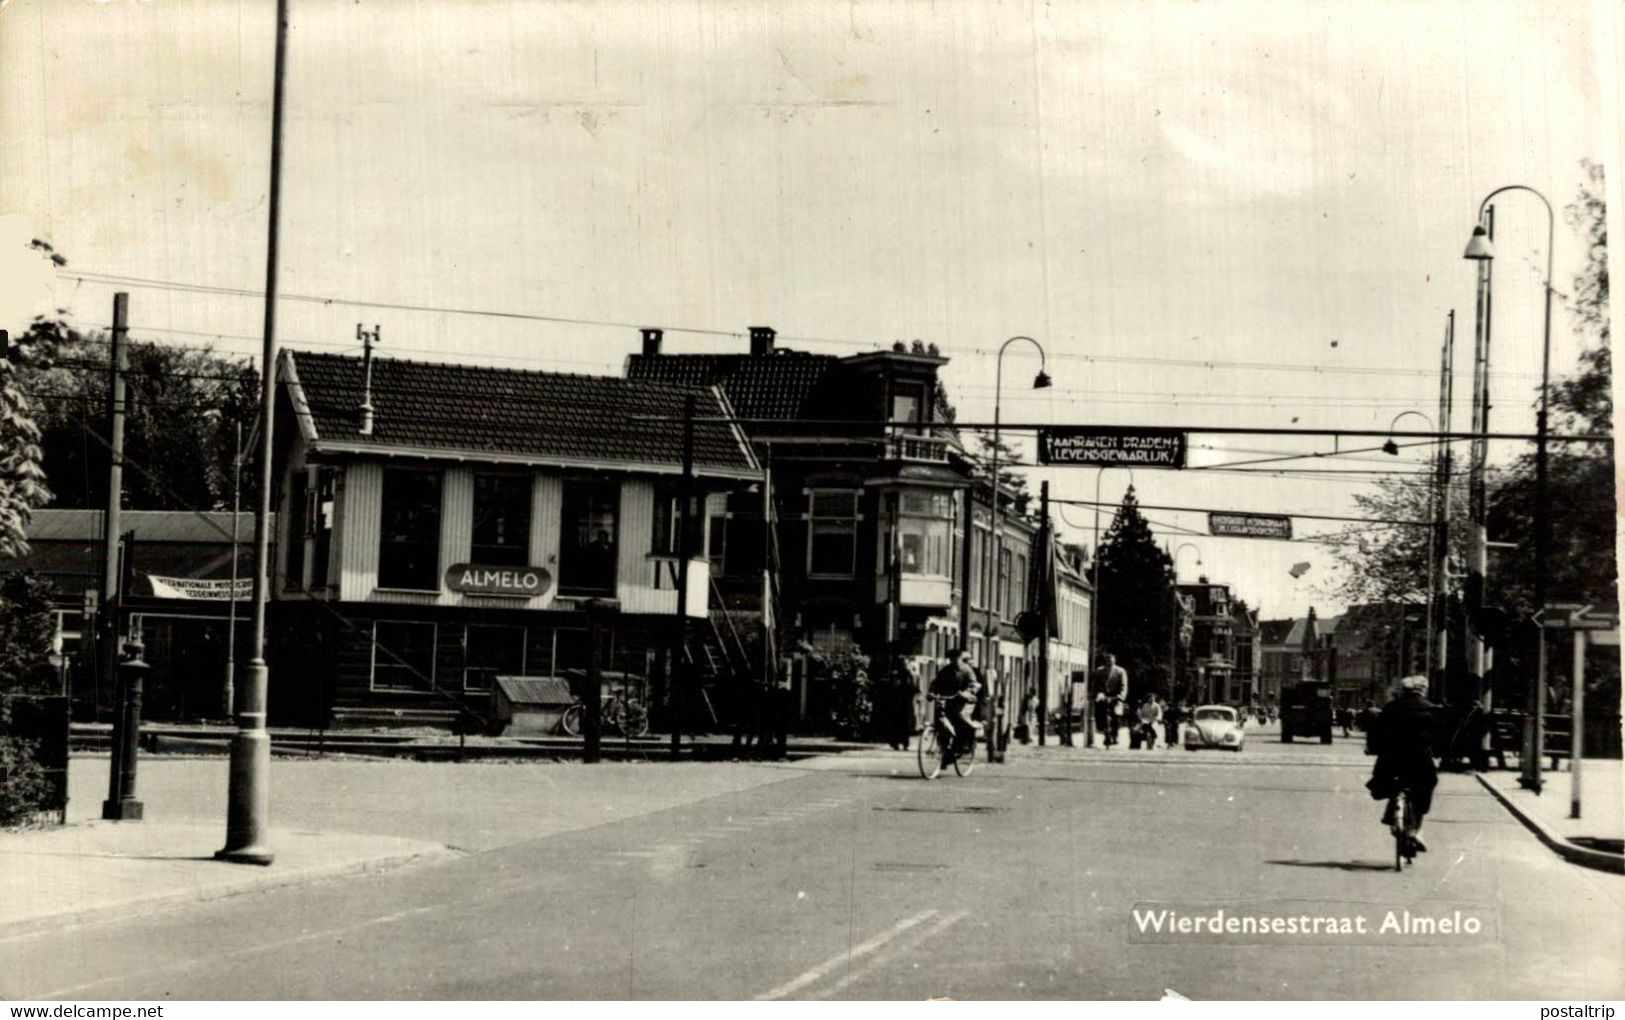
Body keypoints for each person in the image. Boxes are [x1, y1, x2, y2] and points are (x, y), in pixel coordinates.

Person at [1368, 675, 1439, 852]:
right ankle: (1416, 831)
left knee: (1387, 781)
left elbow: (1377, 732)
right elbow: (1440, 737)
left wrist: (1373, 749)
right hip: (1419, 760)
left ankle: (1391, 814)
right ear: (1424, 690)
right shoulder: (1431, 709)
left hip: (1392, 759)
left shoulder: (1391, 708)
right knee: (1427, 785)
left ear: (1404, 690)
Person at [929, 649, 982, 755]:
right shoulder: (945, 670)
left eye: (956, 658)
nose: (953, 661)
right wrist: (931, 692)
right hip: (949, 700)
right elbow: (936, 683)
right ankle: (945, 749)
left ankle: (963, 744)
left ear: (960, 658)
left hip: (965, 701)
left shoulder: (967, 670)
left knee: (960, 719)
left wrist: (966, 692)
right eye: (951, 659)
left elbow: (973, 684)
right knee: (941, 718)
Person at [1095, 653, 1129, 747]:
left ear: (1114, 661)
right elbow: (1096, 685)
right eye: (1107, 661)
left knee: (1116, 717)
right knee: (1102, 716)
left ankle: (1115, 735)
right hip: (1104, 696)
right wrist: (1098, 694)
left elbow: (1124, 685)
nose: (1109, 663)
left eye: (1111, 661)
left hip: (1116, 697)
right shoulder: (1099, 671)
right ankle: (1106, 734)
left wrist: (1121, 696)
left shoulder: (1120, 671)